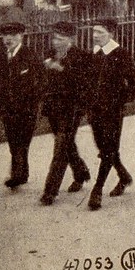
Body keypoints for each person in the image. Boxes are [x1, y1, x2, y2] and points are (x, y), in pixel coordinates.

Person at [84, 19, 135, 211]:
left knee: (108, 149)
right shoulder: (94, 53)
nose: (94, 35)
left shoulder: (120, 54)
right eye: (94, 31)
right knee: (106, 148)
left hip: (112, 112)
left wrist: (120, 101)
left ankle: (97, 190)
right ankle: (124, 177)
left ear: (110, 34)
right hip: (94, 111)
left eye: (100, 32)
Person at [39, 22, 92, 206]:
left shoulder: (82, 56)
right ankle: (81, 173)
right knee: (66, 144)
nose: (55, 42)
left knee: (61, 147)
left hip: (72, 109)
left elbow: (85, 82)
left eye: (60, 39)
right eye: (54, 38)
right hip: (53, 107)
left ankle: (50, 191)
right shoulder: (49, 54)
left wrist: (63, 70)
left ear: (71, 39)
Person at [0, 21, 45, 189]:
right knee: (13, 141)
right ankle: (22, 174)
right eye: (5, 36)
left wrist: (33, 102)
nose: (9, 39)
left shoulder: (30, 55)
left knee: (22, 141)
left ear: (21, 36)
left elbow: (41, 81)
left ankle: (17, 175)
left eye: (13, 36)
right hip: (7, 109)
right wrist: (0, 103)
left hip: (27, 109)